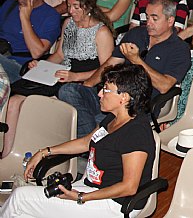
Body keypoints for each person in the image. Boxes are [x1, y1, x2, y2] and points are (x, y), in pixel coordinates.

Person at [1, 63, 155, 218]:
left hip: (115, 203)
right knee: (26, 211)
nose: (100, 93)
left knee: (20, 199)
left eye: (106, 89)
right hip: (90, 186)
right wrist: (44, 152)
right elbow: (86, 142)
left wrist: (81, 197)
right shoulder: (113, 118)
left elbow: (129, 187)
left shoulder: (136, 133)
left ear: (125, 97)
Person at [3, 0, 115, 156]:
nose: (71, 11)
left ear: (88, 6)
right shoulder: (69, 24)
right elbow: (60, 54)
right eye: (69, 6)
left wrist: (75, 76)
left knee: (49, 97)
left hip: (86, 83)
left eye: (76, 7)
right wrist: (41, 65)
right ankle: (7, 153)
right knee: (15, 99)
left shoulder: (101, 32)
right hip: (63, 75)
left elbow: (106, 69)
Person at [58, 0, 191, 137]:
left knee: (97, 120)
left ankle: (91, 139)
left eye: (154, 18)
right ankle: (92, 139)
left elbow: (164, 86)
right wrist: (87, 85)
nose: (148, 23)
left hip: (135, 106)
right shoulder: (137, 34)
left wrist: (137, 60)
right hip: (110, 94)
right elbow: (111, 63)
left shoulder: (180, 49)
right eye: (147, 17)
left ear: (170, 20)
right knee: (68, 91)